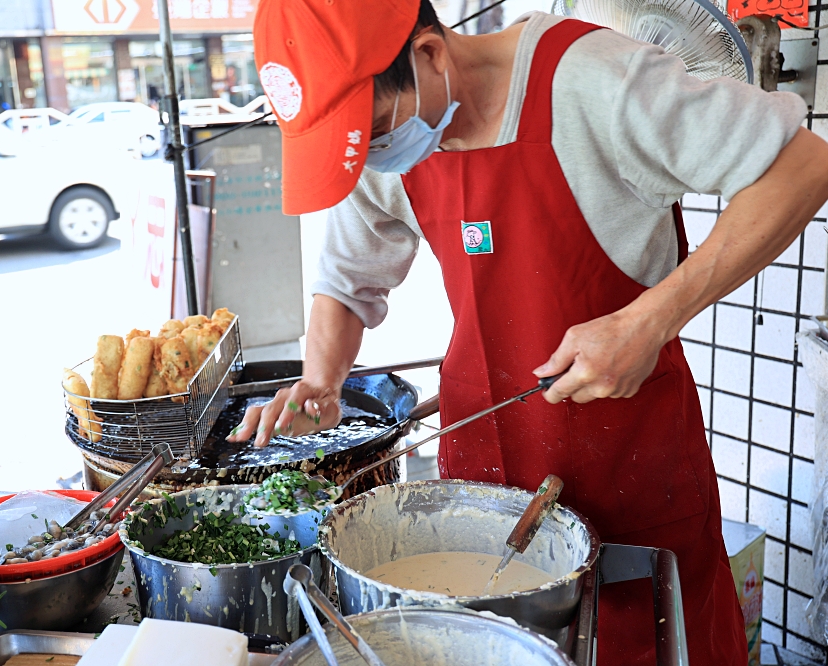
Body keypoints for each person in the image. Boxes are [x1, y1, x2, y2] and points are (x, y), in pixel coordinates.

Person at [227, 0, 828, 662]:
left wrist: (651, 320)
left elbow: (802, 168)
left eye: (371, 131)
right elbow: (346, 279)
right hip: (482, 476)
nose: (368, 155)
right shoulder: (389, 144)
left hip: (630, 466)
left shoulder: (598, 82)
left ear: (428, 54)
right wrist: (321, 379)